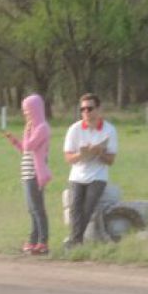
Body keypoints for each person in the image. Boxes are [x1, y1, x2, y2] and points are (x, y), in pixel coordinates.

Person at [62, 93, 118, 249]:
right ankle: (76, 241)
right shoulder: (74, 129)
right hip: (77, 174)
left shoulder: (109, 130)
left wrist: (99, 152)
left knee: (88, 207)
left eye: (90, 108)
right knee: (75, 208)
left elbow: (111, 160)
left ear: (98, 109)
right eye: (83, 109)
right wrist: (82, 154)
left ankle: (73, 241)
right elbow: (68, 158)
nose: (86, 112)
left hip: (98, 175)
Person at [3, 93, 52, 255]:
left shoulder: (42, 128)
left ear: (36, 110)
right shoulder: (33, 129)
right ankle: (33, 240)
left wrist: (27, 130)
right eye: (24, 112)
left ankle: (43, 242)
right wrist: (14, 141)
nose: (26, 115)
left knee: (38, 209)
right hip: (26, 174)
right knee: (31, 209)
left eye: (28, 111)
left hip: (35, 175)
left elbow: (30, 145)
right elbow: (25, 149)